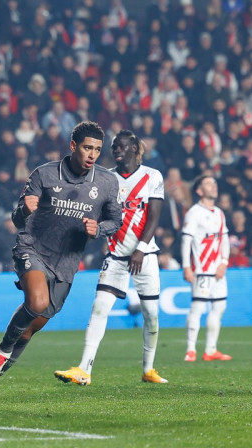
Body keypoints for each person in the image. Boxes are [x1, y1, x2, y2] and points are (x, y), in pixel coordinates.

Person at [0, 121, 121, 410]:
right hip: (33, 247)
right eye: (88, 147)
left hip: (66, 263)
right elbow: (16, 218)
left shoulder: (106, 182)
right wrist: (25, 208)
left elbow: (116, 220)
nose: (92, 155)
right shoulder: (45, 174)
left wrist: (98, 228)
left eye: (98, 150)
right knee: (36, 302)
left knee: (28, 331)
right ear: (73, 146)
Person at [54, 129, 167, 386]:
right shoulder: (106, 179)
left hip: (145, 255)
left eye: (121, 146)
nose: (115, 150)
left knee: (151, 314)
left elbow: (154, 218)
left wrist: (140, 249)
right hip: (115, 256)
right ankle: (84, 370)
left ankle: (148, 369)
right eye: (114, 146)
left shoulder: (152, 176)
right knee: (100, 308)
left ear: (134, 149)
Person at [181, 174, 232, 362]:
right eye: (209, 184)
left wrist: (224, 262)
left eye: (215, 183)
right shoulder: (194, 212)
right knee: (198, 308)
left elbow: (224, 239)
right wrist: (187, 267)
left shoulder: (219, 212)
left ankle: (210, 350)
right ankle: (190, 350)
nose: (214, 186)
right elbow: (186, 241)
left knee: (219, 307)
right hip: (201, 269)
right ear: (199, 191)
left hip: (218, 270)